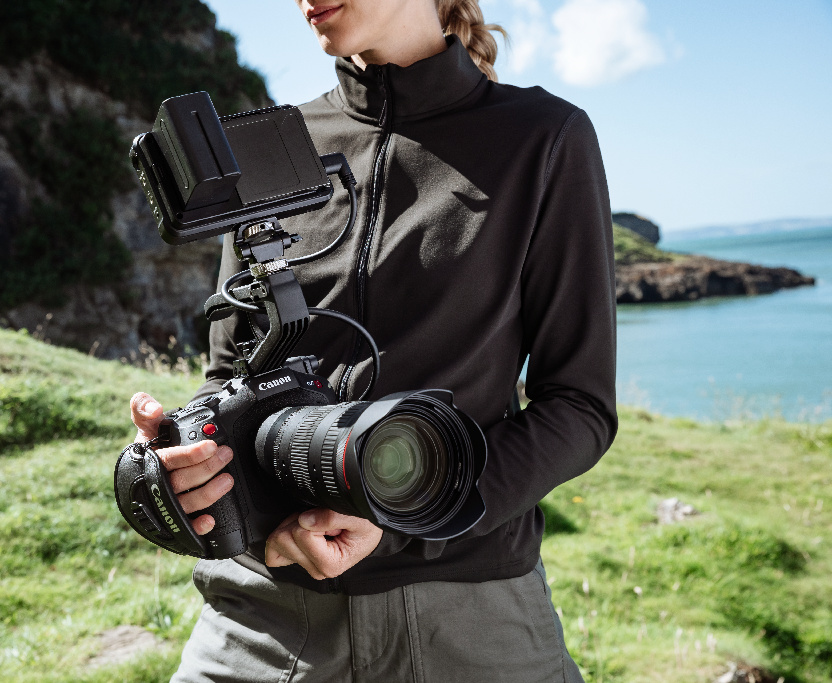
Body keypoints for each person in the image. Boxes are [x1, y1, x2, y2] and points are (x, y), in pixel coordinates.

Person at [129, 0, 617, 680]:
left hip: (469, 619)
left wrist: (405, 515)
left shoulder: (543, 136)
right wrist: (188, 458)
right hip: (264, 615)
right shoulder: (267, 147)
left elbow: (580, 407)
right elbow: (227, 377)